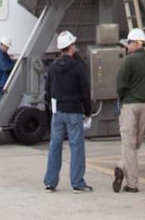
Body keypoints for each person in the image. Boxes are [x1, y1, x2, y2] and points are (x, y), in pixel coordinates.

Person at [43, 30, 93, 192]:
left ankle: (50, 182)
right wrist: (88, 112)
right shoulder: (78, 66)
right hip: (74, 111)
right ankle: (77, 182)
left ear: (60, 49)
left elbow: (47, 91)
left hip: (57, 112)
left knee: (55, 146)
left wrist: (51, 109)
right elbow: (85, 91)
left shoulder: (53, 67)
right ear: (71, 46)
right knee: (76, 146)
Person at [113, 27, 145, 194]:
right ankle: (120, 167)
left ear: (137, 43)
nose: (127, 46)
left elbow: (120, 84)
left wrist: (121, 99)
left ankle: (131, 182)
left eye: (129, 43)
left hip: (130, 104)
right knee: (136, 142)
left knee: (129, 143)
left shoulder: (129, 61)